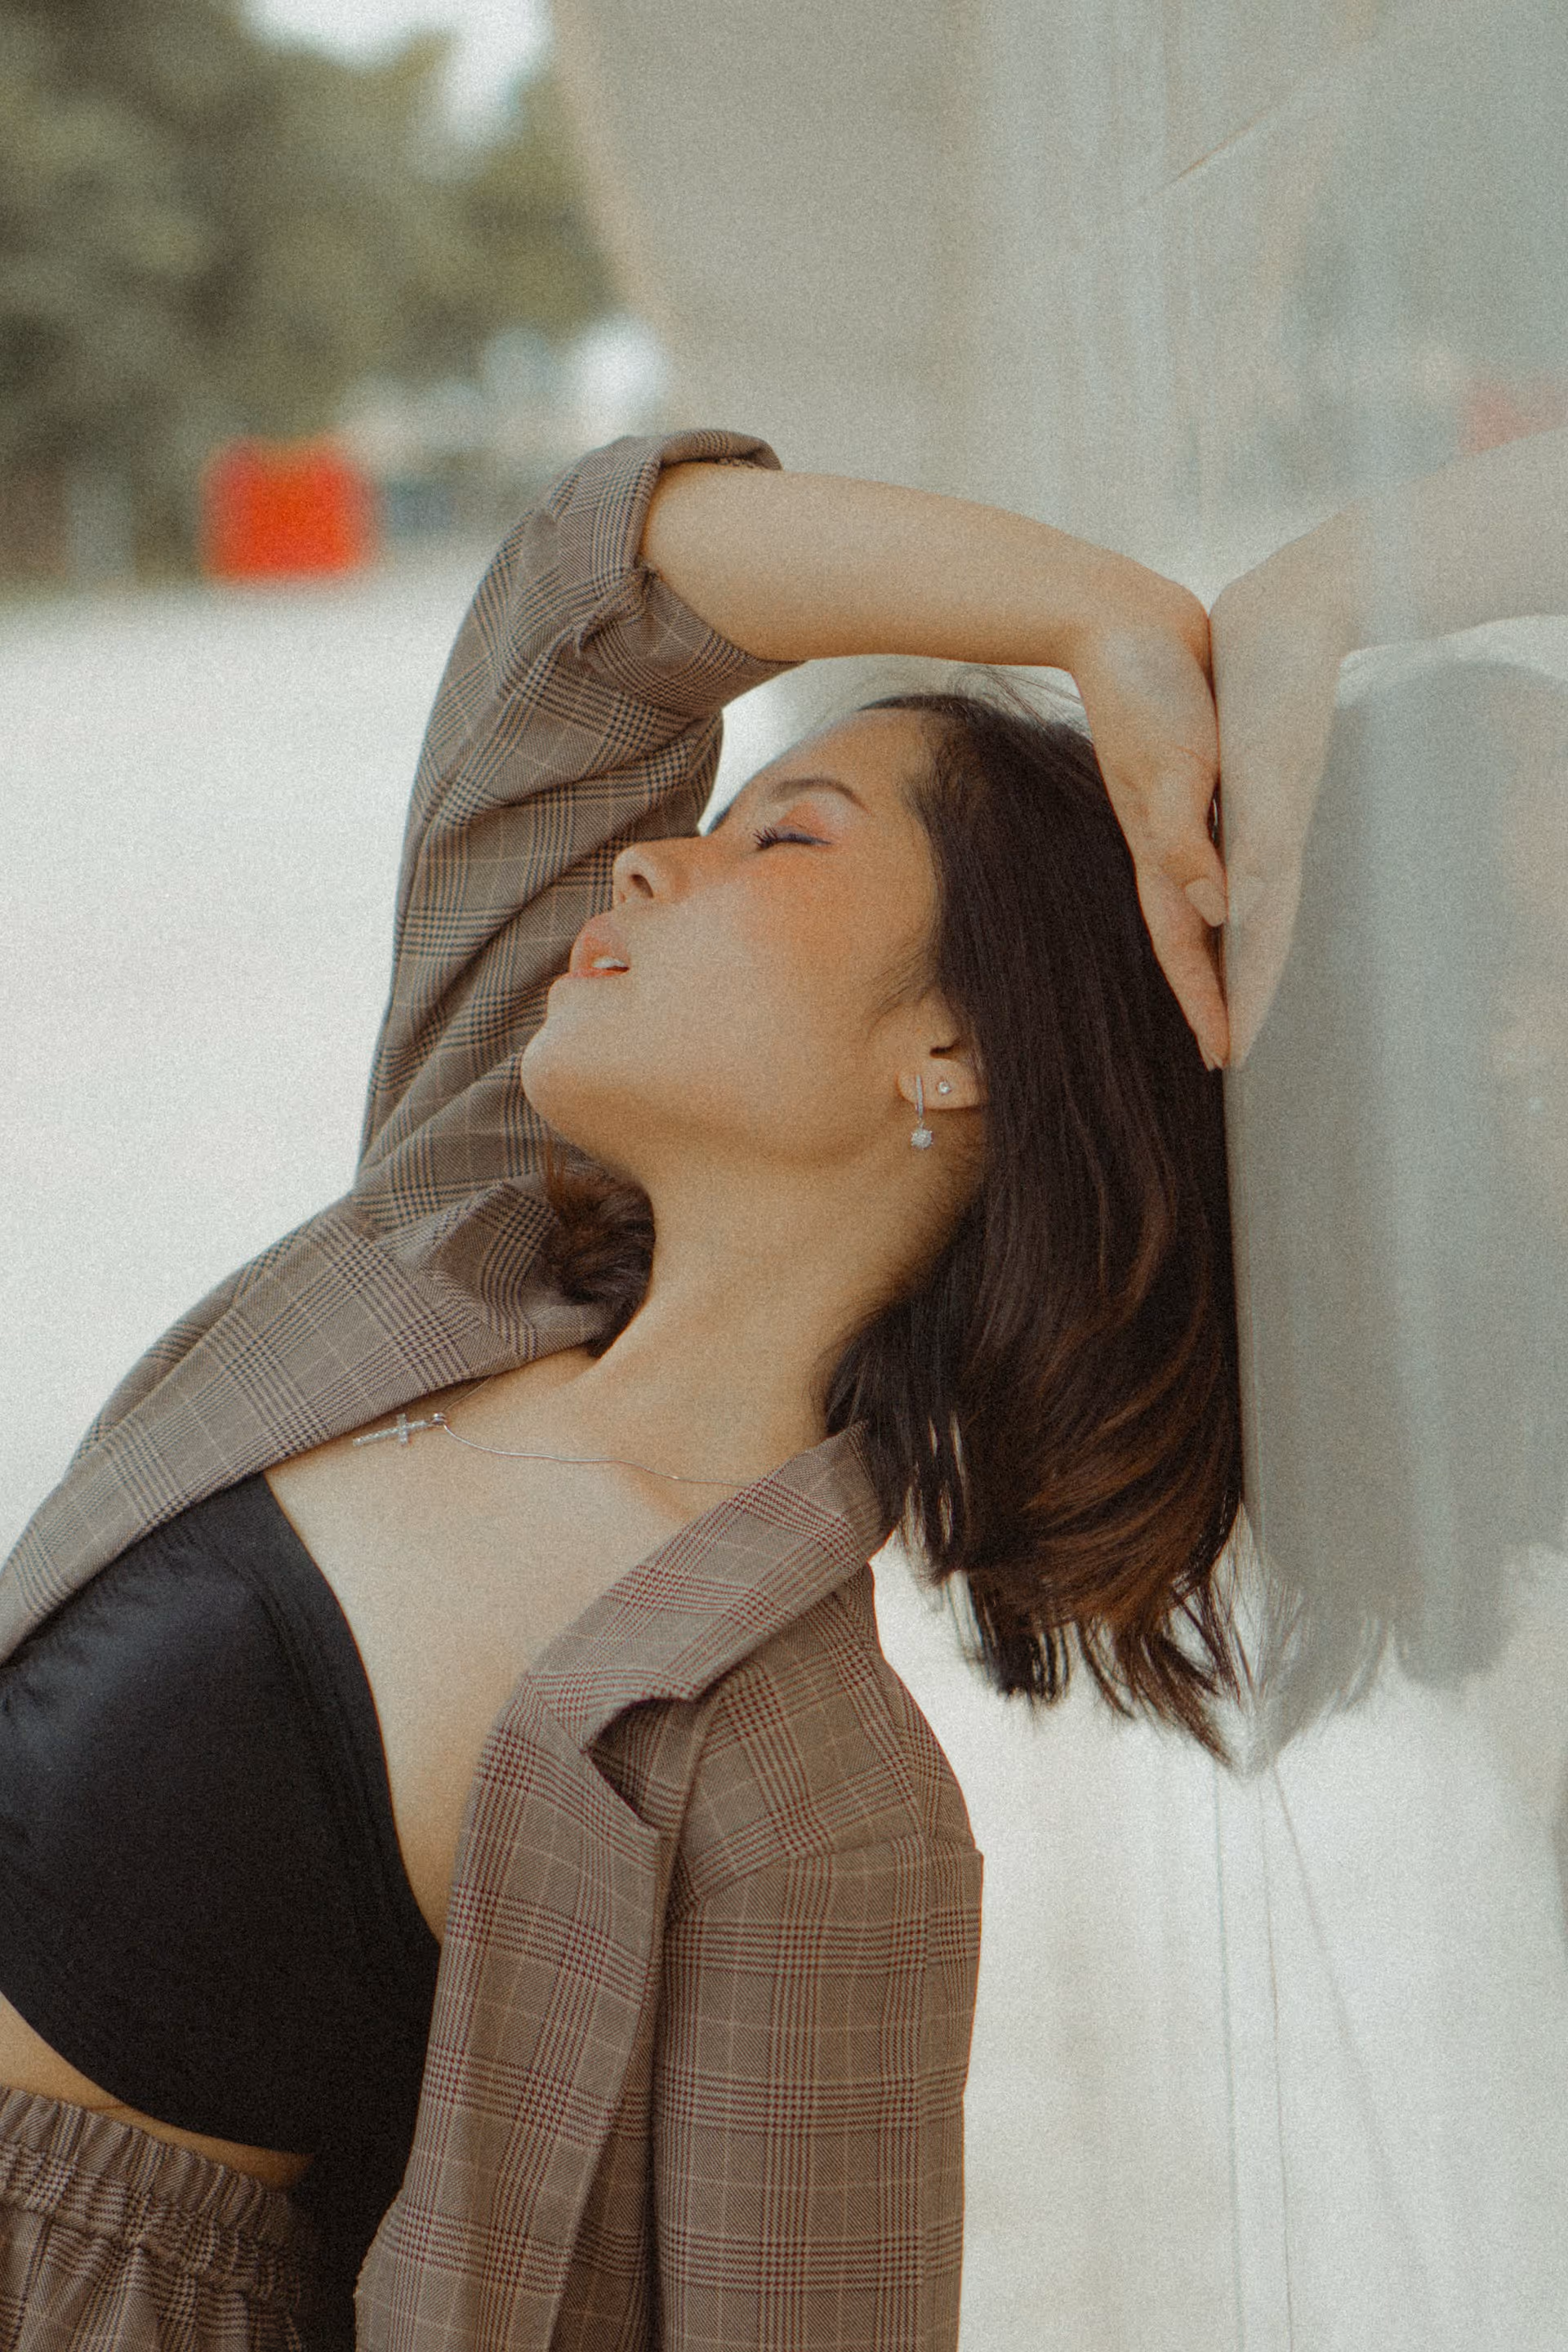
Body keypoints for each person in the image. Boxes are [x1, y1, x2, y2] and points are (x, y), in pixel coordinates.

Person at [0, 426, 1241, 2350]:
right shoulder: (452, 1244)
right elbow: (588, 619)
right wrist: (1100, 614)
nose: (654, 855)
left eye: (786, 837)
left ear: (956, 1047)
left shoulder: (810, 1796)